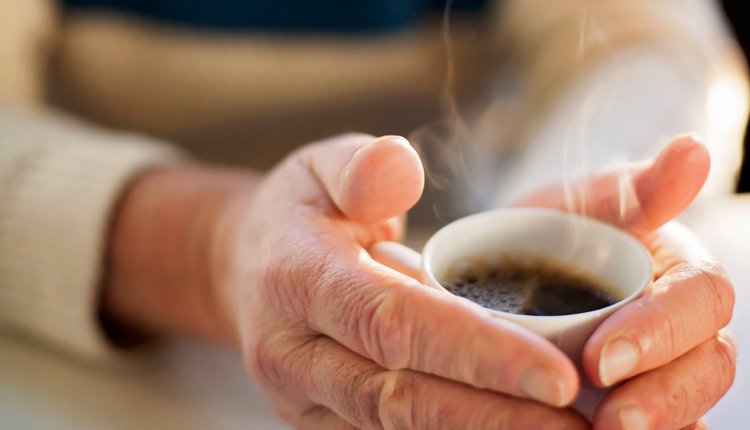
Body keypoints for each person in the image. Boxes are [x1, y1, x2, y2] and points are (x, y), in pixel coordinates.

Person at [0, 0, 743, 429]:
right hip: (84, 349)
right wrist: (211, 246)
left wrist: (576, 208)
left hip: (453, 239)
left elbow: (648, 43)